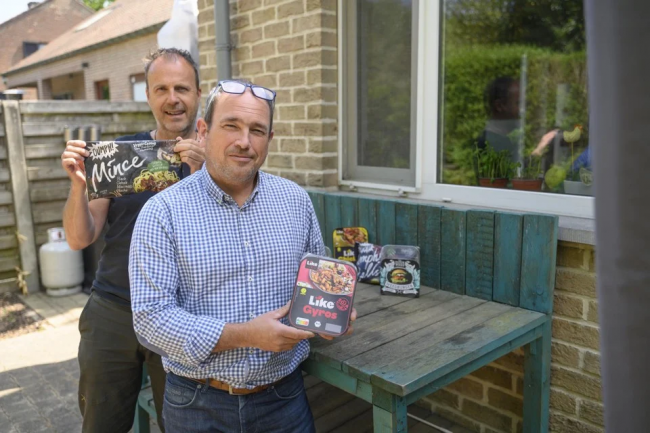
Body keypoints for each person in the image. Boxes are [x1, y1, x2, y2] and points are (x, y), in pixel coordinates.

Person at [129, 80, 356, 433]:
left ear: (269, 138)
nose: (244, 141)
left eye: (257, 130)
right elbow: (150, 320)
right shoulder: (163, 212)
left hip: (284, 398)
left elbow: (314, 286)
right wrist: (246, 335)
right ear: (204, 131)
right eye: (231, 125)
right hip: (197, 405)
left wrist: (327, 314)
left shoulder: (295, 202)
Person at [60, 48, 204, 433]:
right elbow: (79, 238)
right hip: (113, 309)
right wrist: (78, 186)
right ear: (148, 96)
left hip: (182, 313)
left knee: (183, 424)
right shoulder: (119, 155)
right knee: (101, 423)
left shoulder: (217, 159)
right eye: (161, 89)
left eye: (181, 88)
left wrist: (200, 172)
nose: (172, 99)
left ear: (197, 93)